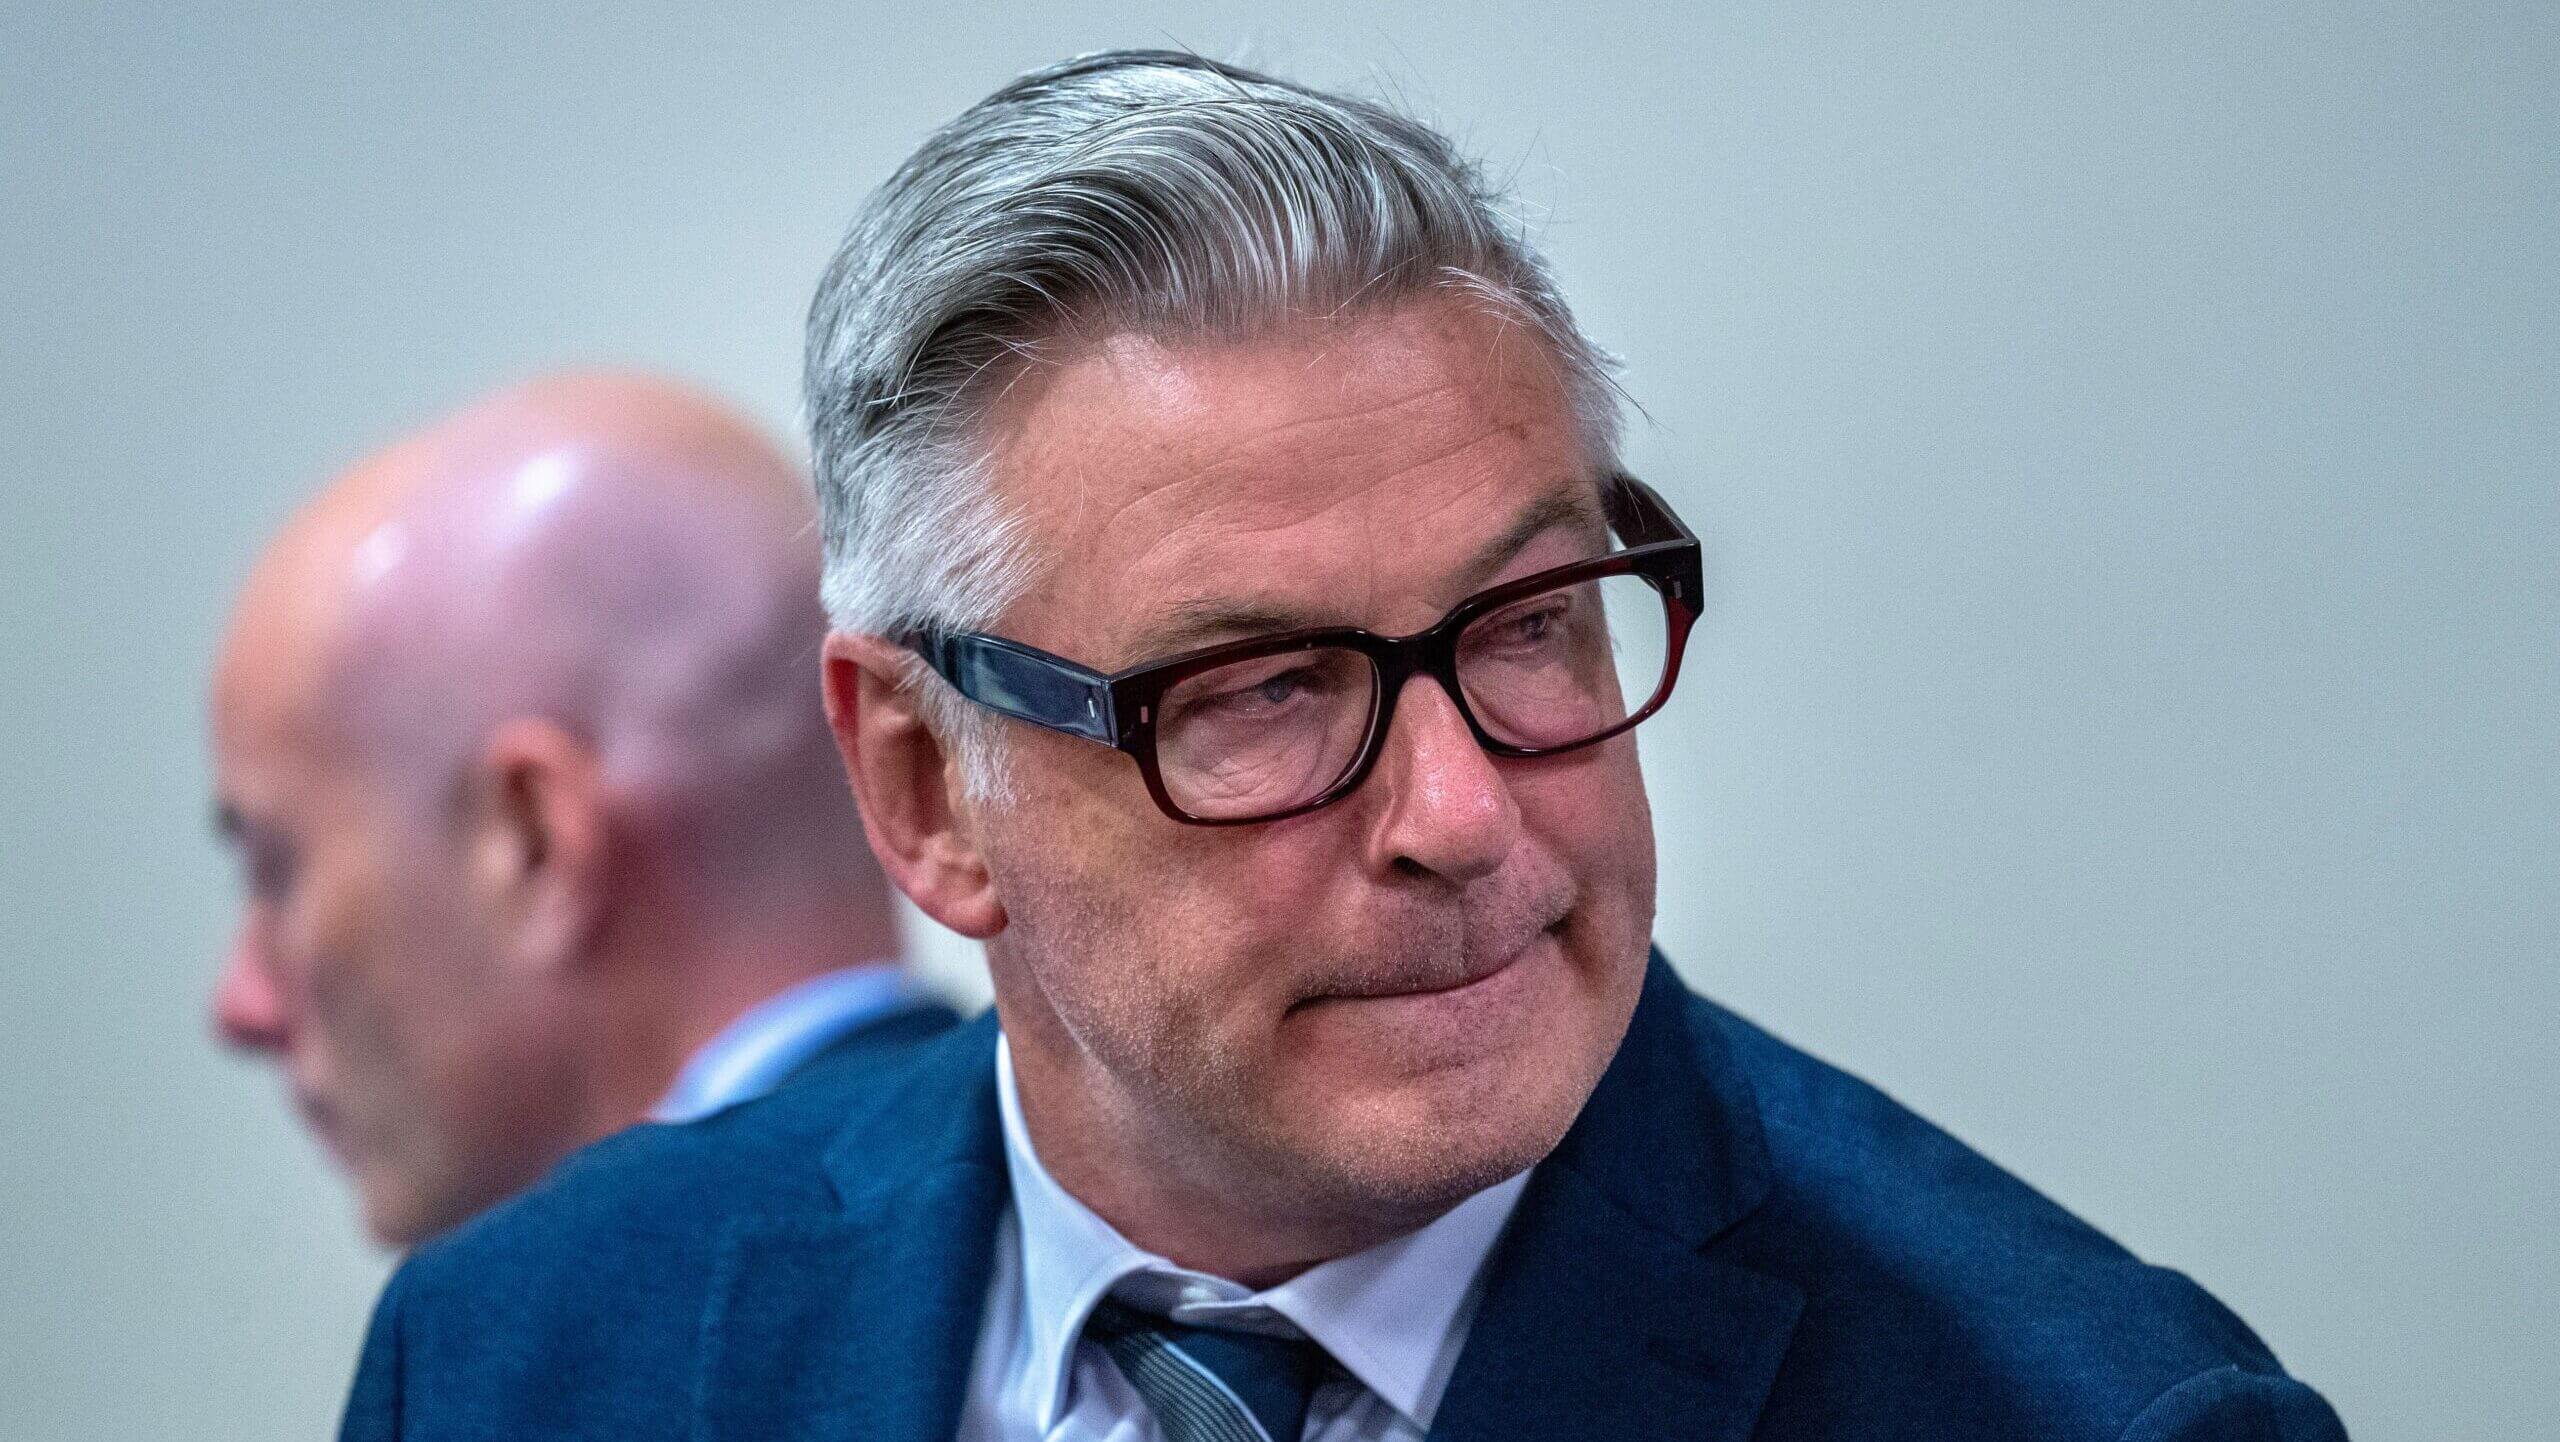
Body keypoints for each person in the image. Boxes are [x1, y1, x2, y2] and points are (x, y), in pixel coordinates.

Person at [337, 54, 2345, 1440]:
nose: (1465, 818)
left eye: (1528, 628)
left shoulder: (2084, 1412)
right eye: (1259, 691)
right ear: (924, 787)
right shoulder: (529, 1358)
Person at [209, 372, 956, 1249]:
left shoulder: (568, 1355)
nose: (243, 1003)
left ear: (532, 844)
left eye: (277, 869)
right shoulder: (1066, 1284)